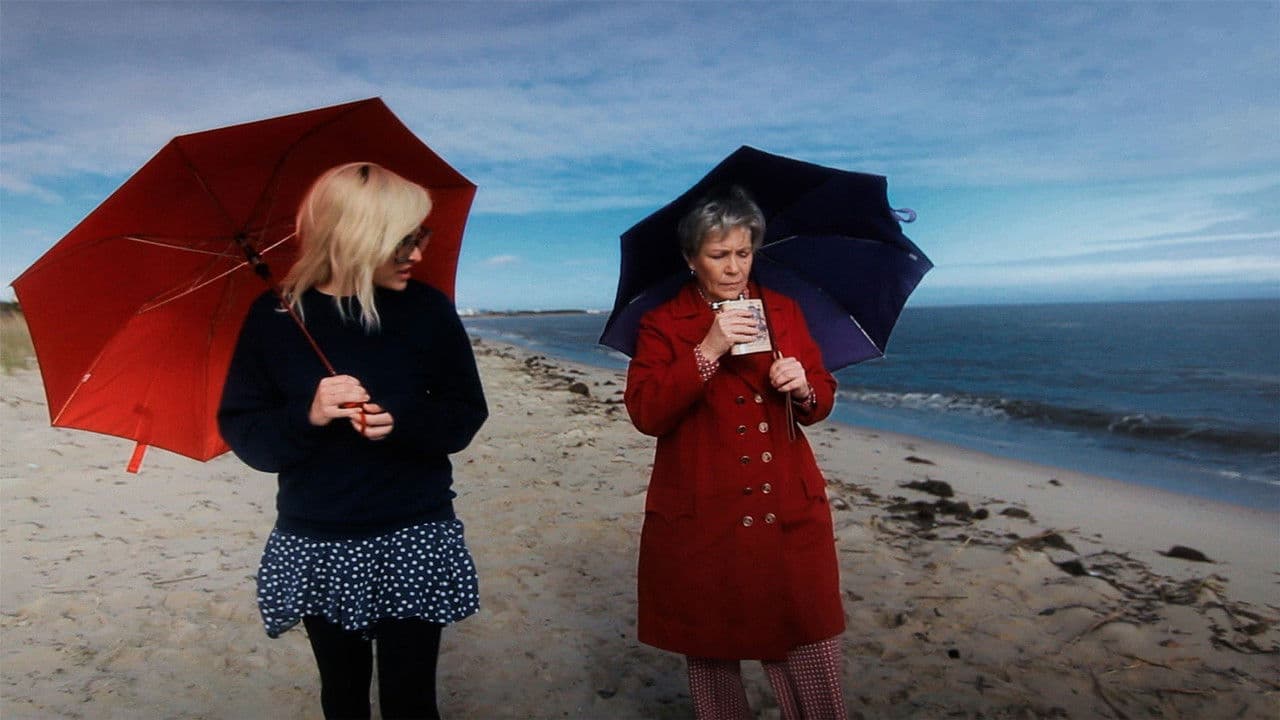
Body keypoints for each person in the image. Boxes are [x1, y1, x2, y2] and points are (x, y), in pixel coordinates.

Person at [218, 162, 488, 720]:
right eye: (404, 241)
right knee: (343, 696)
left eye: (420, 236)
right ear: (355, 237)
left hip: (415, 532)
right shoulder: (275, 316)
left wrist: (401, 420)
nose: (418, 253)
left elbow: (464, 414)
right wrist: (310, 414)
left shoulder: (428, 310)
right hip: (318, 538)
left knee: (412, 700)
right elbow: (250, 437)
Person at [624, 185, 847, 719]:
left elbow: (821, 396)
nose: (733, 268)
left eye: (743, 253)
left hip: (787, 507)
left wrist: (804, 387)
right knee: (712, 659)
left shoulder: (784, 310)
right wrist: (707, 350)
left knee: (812, 646)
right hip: (706, 512)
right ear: (691, 258)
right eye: (718, 254)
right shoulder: (662, 323)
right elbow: (646, 413)